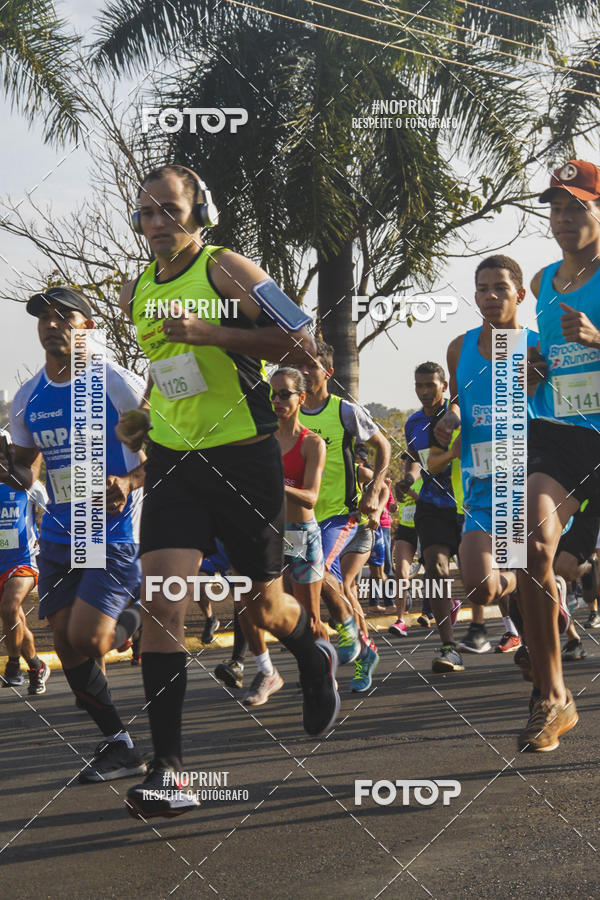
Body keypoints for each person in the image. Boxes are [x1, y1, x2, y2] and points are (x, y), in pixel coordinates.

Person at [117, 165, 340, 818]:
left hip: (243, 458)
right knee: (162, 603)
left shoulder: (225, 269)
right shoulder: (139, 288)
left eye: (170, 209)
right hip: (174, 463)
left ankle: (311, 651)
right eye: (147, 212)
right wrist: (144, 425)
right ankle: (169, 770)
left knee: (263, 608)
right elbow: (167, 367)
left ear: (199, 211)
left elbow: (304, 347)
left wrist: (215, 332)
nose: (158, 222)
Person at [7, 286, 147, 781]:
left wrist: (128, 482)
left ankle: (141, 613)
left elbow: (169, 447)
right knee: (67, 644)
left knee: (91, 637)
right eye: (43, 317)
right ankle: (120, 745)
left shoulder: (117, 383)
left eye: (64, 316)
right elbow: (25, 469)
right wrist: (9, 472)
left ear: (87, 327)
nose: (52, 324)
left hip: (113, 530)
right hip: (59, 536)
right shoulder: (27, 398)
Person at [515, 160, 600, 751]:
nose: (564, 218)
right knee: (529, 545)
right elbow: (546, 354)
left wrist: (597, 338)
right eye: (557, 208)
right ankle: (552, 696)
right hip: (559, 432)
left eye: (578, 207)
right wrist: (534, 369)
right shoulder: (543, 280)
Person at [433, 257, 541, 673]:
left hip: (528, 484)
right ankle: (520, 583)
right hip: (480, 486)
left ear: (520, 294)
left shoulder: (536, 346)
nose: (490, 296)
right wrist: (450, 418)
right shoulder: (459, 348)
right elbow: (459, 400)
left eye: (500, 287)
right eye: (482, 289)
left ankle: (538, 649)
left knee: (533, 592)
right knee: (480, 587)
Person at [298, 340, 391, 688]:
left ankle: (350, 637)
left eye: (312, 366)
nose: (305, 372)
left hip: (340, 515)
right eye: (300, 365)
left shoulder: (345, 411)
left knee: (317, 570)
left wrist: (374, 489)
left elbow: (384, 446)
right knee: (307, 591)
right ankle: (351, 656)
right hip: (300, 517)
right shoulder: (288, 411)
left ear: (328, 372)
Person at [396, 363, 463, 672]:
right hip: (431, 505)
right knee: (435, 568)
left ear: (444, 386)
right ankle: (449, 647)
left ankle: (512, 628)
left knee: (483, 579)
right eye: (418, 385)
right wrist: (408, 480)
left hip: (467, 503)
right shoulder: (413, 423)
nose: (423, 391)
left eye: (430, 385)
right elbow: (415, 460)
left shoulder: (459, 414)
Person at [0, 430, 50, 694]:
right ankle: (36, 666)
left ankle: (13, 666)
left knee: (10, 607)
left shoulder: (28, 485)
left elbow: (54, 512)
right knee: (15, 618)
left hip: (24, 561)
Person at [388, 476, 422, 637]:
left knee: (434, 573)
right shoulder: (403, 481)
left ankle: (450, 604)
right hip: (405, 529)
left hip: (425, 528)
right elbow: (400, 504)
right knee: (401, 574)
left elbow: (429, 502)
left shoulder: (430, 478)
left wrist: (410, 492)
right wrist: (394, 506)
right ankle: (400, 620)